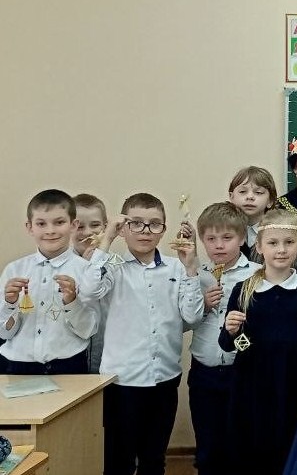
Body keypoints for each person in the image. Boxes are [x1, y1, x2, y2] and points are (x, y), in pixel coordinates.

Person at [89, 193, 203, 475]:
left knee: (154, 459)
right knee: (119, 461)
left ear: (163, 230)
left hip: (164, 377)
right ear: (123, 228)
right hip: (122, 381)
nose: (145, 231)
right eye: (136, 223)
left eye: (154, 224)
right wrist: (106, 240)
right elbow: (89, 291)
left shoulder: (177, 268)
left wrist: (191, 268)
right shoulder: (112, 267)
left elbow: (193, 317)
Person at [220, 209, 297, 474]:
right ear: (259, 246)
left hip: (293, 386)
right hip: (252, 387)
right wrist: (230, 330)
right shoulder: (243, 290)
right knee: (254, 451)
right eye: (273, 243)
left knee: (289, 449)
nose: (281, 250)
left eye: (288, 242)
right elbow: (228, 345)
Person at [186, 202, 260, 475]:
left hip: (242, 371)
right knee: (208, 448)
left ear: (242, 238)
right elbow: (182, 322)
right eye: (211, 238)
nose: (219, 245)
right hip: (203, 372)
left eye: (227, 237)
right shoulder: (196, 275)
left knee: (242, 446)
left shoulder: (257, 274)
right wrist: (203, 305)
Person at [1, 189, 99, 374]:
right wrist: (10, 303)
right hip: (17, 367)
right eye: (41, 223)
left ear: (73, 225)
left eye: (59, 222)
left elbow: (88, 331)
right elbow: (3, 332)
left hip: (69, 366)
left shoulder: (86, 271)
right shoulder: (14, 270)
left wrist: (72, 302)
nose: (50, 230)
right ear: (30, 227)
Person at [72, 192, 109, 373]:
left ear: (105, 227)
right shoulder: (61, 267)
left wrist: (95, 264)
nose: (87, 232)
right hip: (71, 361)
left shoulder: (116, 266)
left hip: (109, 360)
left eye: (95, 225)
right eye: (79, 226)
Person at [227, 166, 277, 260]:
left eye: (258, 192)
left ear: (270, 200)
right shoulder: (224, 230)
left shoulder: (277, 232)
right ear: (231, 197)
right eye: (242, 191)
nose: (250, 197)